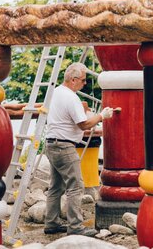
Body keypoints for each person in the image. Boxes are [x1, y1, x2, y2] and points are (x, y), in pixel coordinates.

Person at [44, 62, 114, 237]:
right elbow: (83, 125)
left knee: (55, 187)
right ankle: (76, 226)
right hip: (65, 146)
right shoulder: (71, 97)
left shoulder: (57, 92)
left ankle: (51, 223)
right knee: (75, 187)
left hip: (52, 144)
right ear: (73, 80)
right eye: (83, 80)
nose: (84, 84)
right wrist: (101, 116)